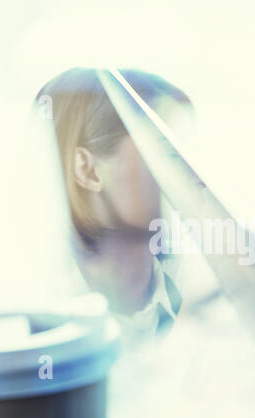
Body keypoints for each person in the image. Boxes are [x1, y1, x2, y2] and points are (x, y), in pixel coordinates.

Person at [35, 68, 193, 339]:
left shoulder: (193, 297)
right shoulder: (48, 327)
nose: (187, 175)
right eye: (164, 152)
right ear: (87, 170)